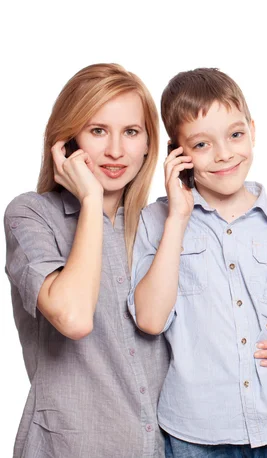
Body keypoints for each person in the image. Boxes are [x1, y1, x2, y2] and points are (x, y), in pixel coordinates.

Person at [127, 68, 267, 458]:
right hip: (196, 433)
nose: (224, 154)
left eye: (235, 135)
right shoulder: (156, 223)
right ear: (177, 152)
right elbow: (151, 320)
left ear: (253, 131)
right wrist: (178, 217)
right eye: (202, 144)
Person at [4, 63, 169, 457]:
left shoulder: (164, 222)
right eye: (98, 131)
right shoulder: (31, 215)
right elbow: (74, 318)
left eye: (131, 132)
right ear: (68, 141)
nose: (115, 151)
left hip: (162, 447)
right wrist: (91, 200)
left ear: (149, 143)